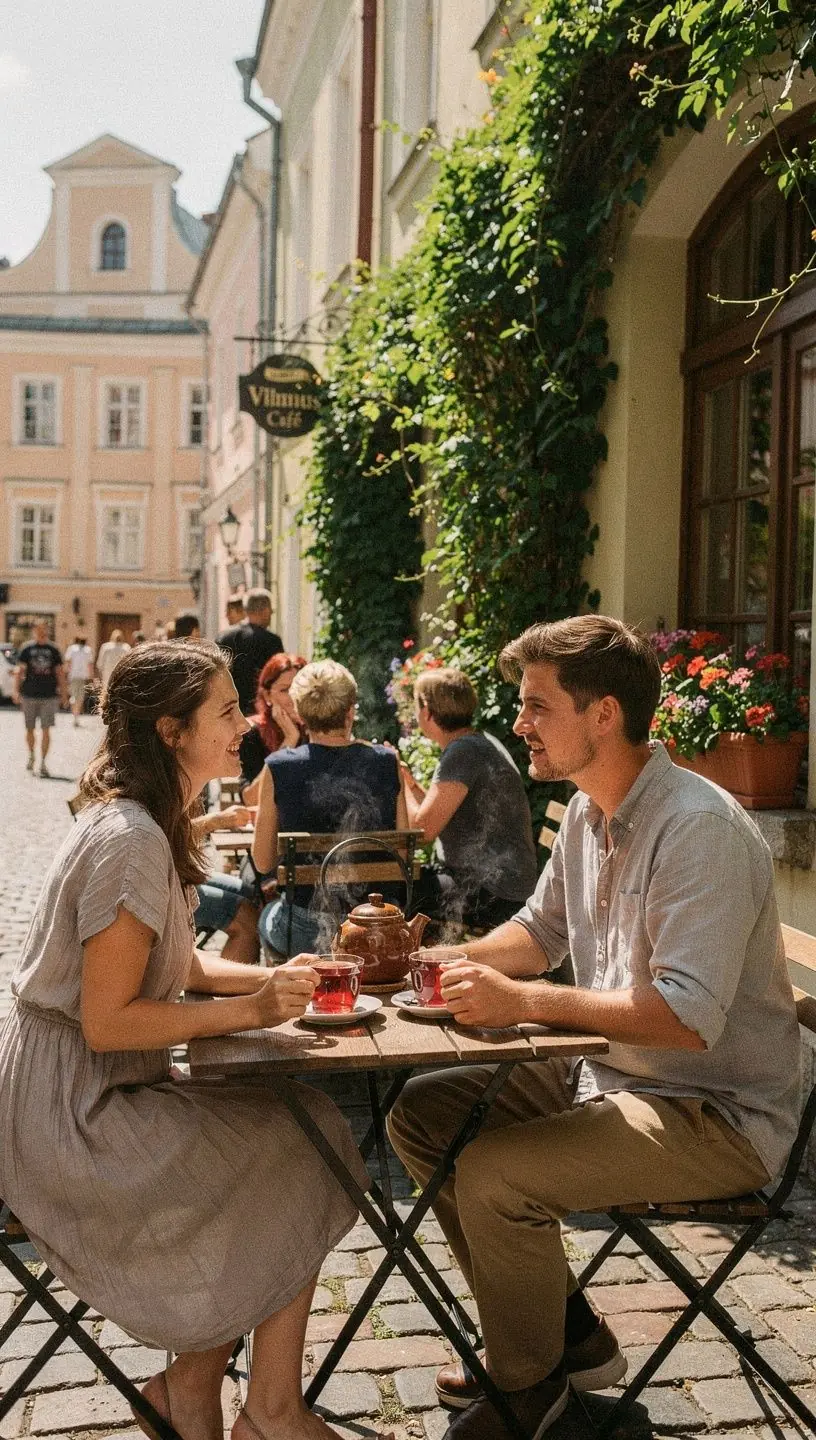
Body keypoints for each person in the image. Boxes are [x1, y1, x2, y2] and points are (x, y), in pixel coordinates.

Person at [387, 615, 802, 1440]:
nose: (517, 723)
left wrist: (528, 1004)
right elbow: (539, 938)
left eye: (537, 706)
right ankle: (568, 1338)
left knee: (499, 1174)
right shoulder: (586, 811)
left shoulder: (697, 829)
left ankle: (531, 1397)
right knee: (423, 1116)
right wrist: (442, 965)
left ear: (603, 714)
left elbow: (683, 1017)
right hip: (613, 1073)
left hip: (716, 1111)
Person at [0, 640, 367, 1440]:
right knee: (307, 1138)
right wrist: (253, 1009)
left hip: (86, 1091)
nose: (247, 723)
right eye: (228, 711)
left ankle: (201, 1393)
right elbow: (109, 1019)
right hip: (71, 1118)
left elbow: (169, 961)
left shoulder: (141, 821)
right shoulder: (130, 837)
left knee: (295, 1125)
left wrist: (276, 977)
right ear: (171, 731)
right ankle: (265, 1409)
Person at [253, 660, 408, 955]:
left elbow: (262, 862)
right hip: (376, 925)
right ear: (350, 710)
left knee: (264, 918)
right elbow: (401, 854)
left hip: (305, 929)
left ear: (299, 712)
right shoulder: (387, 761)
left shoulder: (278, 767)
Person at [401, 668, 538, 933]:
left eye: (416, 706)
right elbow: (436, 809)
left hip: (493, 893)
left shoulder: (463, 752)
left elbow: (423, 831)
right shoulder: (476, 743)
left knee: (395, 891)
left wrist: (396, 778)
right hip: (499, 885)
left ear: (427, 711)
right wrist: (410, 783)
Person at [238, 652, 308, 805]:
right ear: (267, 696)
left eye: (300, 688)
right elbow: (251, 799)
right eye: (285, 690)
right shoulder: (252, 734)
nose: (294, 696)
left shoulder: (316, 729)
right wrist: (289, 741)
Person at [12, 621, 68, 776]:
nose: (41, 631)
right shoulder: (27, 649)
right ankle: (31, 755)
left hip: (48, 696)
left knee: (46, 730)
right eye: (38, 629)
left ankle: (43, 762)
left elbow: (60, 673)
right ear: (34, 631)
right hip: (29, 695)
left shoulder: (53, 649)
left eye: (43, 629)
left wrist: (64, 694)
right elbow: (19, 671)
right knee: (29, 729)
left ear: (47, 630)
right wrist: (16, 691)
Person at [217, 588, 284, 714]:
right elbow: (279, 679)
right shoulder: (272, 641)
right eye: (271, 611)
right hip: (261, 711)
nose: (271, 615)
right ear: (265, 610)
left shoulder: (224, 637)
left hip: (230, 710)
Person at [65, 635, 94, 727]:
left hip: (73, 676)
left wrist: (67, 673)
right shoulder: (88, 650)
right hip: (82, 676)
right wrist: (91, 677)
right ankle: (76, 716)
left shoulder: (71, 649)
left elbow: (68, 662)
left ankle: (74, 712)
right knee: (80, 697)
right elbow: (90, 665)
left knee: (74, 695)